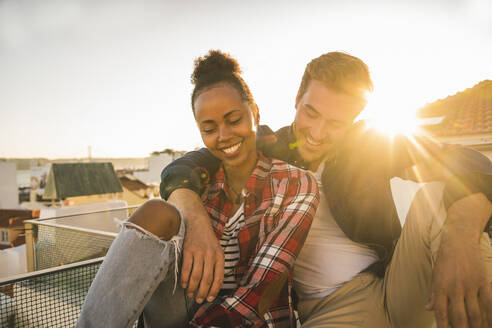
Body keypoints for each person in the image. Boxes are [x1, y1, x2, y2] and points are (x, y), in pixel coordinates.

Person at [159, 51, 492, 327]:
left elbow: (466, 161)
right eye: (311, 113)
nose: (317, 132)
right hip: (325, 309)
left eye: (335, 124)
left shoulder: (371, 146)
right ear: (296, 100)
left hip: (393, 284)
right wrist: (196, 220)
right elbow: (183, 168)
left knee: (437, 202)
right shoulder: (264, 147)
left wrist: (459, 240)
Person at [77, 50, 319, 327]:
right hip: (185, 310)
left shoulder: (296, 183)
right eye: (209, 128)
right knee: (156, 212)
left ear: (255, 113)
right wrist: (197, 221)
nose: (224, 136)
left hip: (250, 319)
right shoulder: (197, 185)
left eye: (234, 120)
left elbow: (258, 294)